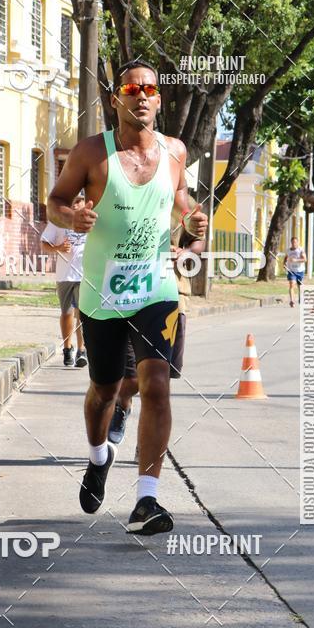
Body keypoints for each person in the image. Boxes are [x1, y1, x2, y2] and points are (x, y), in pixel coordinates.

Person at [47, 59, 208, 535]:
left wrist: (194, 231)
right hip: (101, 294)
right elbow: (55, 200)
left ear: (159, 100)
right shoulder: (91, 154)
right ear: (116, 98)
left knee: (157, 383)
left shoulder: (174, 151)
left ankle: (146, 501)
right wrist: (70, 218)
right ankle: (99, 458)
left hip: (157, 287)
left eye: (150, 89)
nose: (141, 95)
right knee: (104, 390)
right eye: (131, 88)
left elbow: (184, 205)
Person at [109, 226, 201, 452]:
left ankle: (145, 444)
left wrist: (184, 251)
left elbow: (198, 242)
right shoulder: (124, 193)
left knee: (160, 381)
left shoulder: (183, 205)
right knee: (130, 378)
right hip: (131, 295)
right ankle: (122, 404)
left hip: (172, 296)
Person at [41, 194, 88, 367]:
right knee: (67, 313)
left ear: (84, 203)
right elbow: (44, 243)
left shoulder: (90, 222)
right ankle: (68, 348)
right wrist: (58, 248)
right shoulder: (58, 222)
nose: (76, 205)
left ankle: (82, 351)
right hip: (64, 275)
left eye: (79, 201)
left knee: (82, 314)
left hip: (85, 275)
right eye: (73, 201)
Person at [284, 236, 306, 307]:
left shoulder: (300, 250)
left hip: (300, 271)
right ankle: (292, 300)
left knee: (300, 286)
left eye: (295, 242)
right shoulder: (288, 250)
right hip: (291, 271)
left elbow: (304, 259)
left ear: (298, 242)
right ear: (291, 243)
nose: (294, 244)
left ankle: (301, 298)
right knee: (291, 284)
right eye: (293, 242)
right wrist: (284, 264)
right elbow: (286, 258)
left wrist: (296, 260)